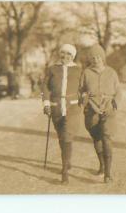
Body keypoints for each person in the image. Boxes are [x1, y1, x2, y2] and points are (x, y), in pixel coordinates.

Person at [79, 44, 121, 183]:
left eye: (98, 56)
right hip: (91, 110)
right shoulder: (86, 72)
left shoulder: (111, 72)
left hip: (108, 109)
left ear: (102, 57)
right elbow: (81, 91)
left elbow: (118, 91)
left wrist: (115, 103)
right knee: (96, 138)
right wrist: (84, 99)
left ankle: (108, 174)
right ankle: (102, 166)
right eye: (92, 57)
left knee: (107, 138)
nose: (95, 59)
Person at [42, 44, 82, 185]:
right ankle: (67, 161)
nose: (65, 56)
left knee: (67, 136)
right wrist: (46, 104)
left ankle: (64, 171)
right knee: (61, 137)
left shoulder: (78, 70)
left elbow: (84, 88)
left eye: (69, 54)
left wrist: (83, 101)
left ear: (73, 56)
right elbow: (46, 87)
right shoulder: (53, 69)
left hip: (73, 108)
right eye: (63, 53)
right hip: (56, 107)